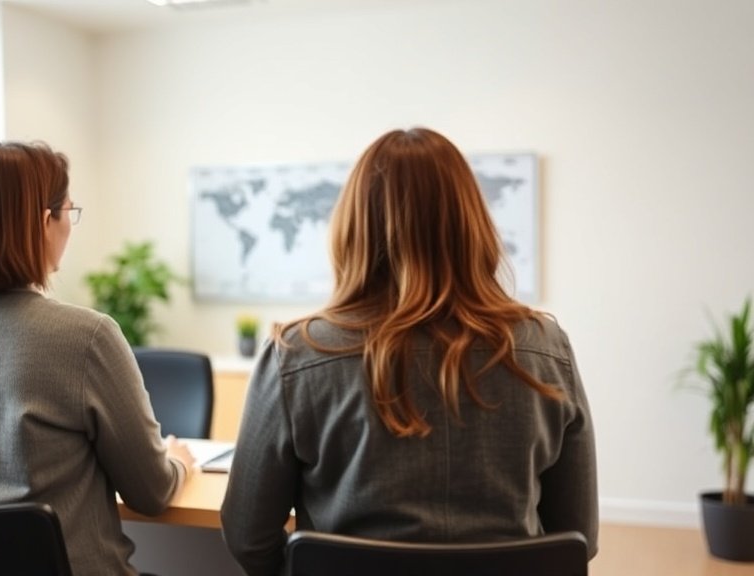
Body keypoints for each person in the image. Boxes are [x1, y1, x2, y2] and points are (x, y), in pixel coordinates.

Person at [220, 127, 598, 575]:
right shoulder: (546, 350)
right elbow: (578, 538)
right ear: (471, 224)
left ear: (353, 228)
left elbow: (248, 537)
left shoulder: (296, 357)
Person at [0, 140, 195, 576]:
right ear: (46, 222)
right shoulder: (87, 337)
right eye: (69, 213)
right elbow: (152, 492)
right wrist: (178, 462)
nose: (70, 226)